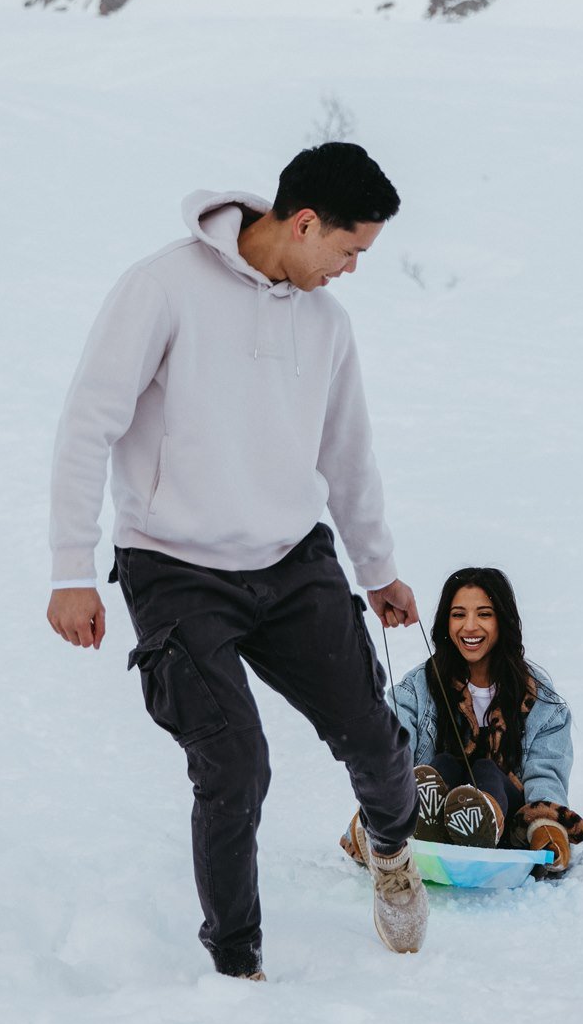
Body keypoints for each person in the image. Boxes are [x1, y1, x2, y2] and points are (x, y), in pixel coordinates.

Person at [45, 142, 429, 980]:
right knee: (234, 762)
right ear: (302, 222)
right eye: (349, 249)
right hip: (175, 568)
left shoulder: (327, 324)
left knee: (374, 739)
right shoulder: (163, 288)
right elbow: (89, 423)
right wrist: (72, 569)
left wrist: (378, 569)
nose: (351, 269)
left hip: (293, 563)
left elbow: (348, 455)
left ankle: (390, 847)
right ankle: (236, 960)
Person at [345, 566, 583, 874]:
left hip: (506, 821)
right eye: (458, 614)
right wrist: (377, 809)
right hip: (433, 805)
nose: (470, 627)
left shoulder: (539, 700)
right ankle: (426, 823)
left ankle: (480, 819)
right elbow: (394, 739)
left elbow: (547, 773)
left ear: (503, 620)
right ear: (446, 622)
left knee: (485, 769)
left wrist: (547, 828)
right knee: (444, 764)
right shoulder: (423, 685)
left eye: (484, 614)